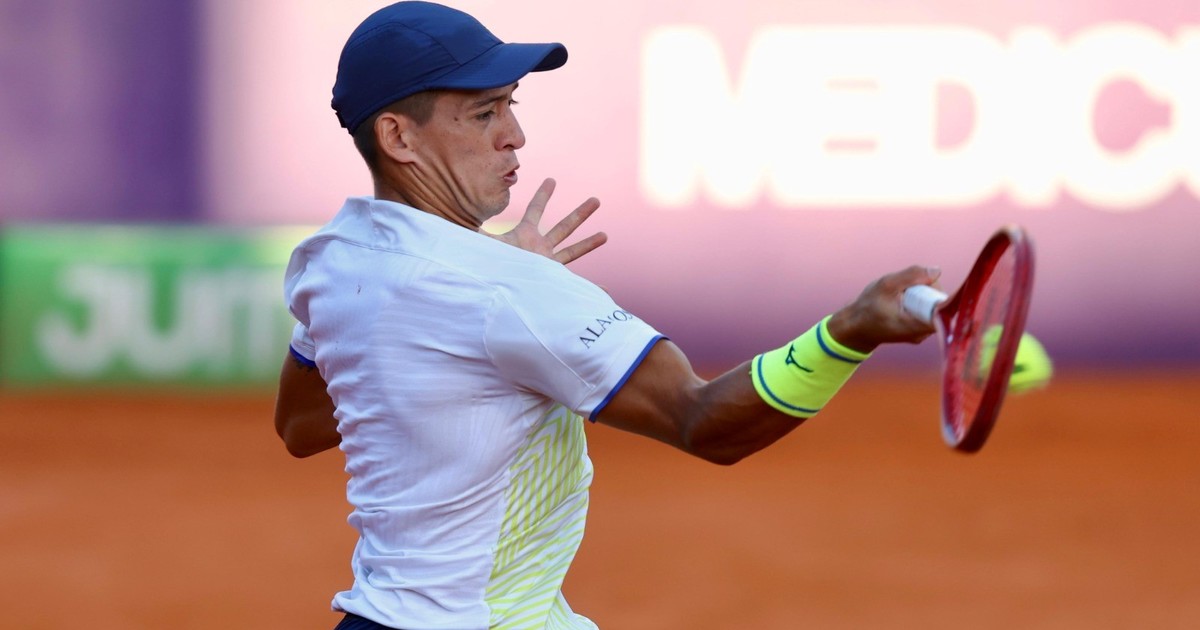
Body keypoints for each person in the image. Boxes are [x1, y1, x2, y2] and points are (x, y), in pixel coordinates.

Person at [273, 2, 938, 628]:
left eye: (511, 105)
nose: (515, 136)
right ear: (398, 136)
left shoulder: (333, 260)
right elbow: (705, 422)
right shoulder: (511, 292)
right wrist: (850, 331)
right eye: (483, 114)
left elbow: (301, 425)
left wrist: (464, 306)